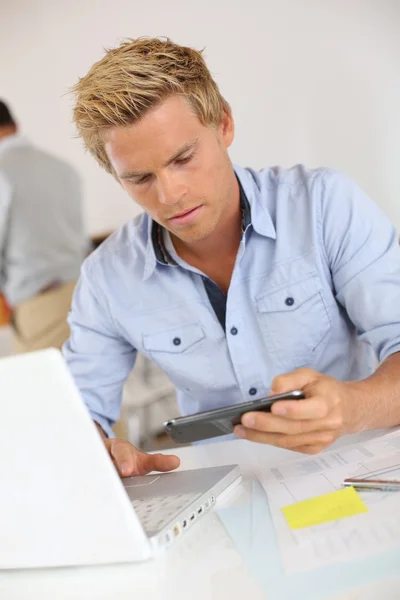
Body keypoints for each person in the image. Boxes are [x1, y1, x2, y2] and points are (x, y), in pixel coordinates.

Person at [65, 37, 400, 479]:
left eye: (183, 158)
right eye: (140, 178)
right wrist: (101, 454)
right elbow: (74, 410)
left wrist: (353, 408)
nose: (169, 195)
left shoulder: (324, 205)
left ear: (223, 124)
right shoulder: (106, 278)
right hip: (222, 493)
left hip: (358, 469)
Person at [0, 100, 88, 354]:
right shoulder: (63, 168)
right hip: (81, 292)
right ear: (15, 125)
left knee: (43, 388)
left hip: (37, 304)